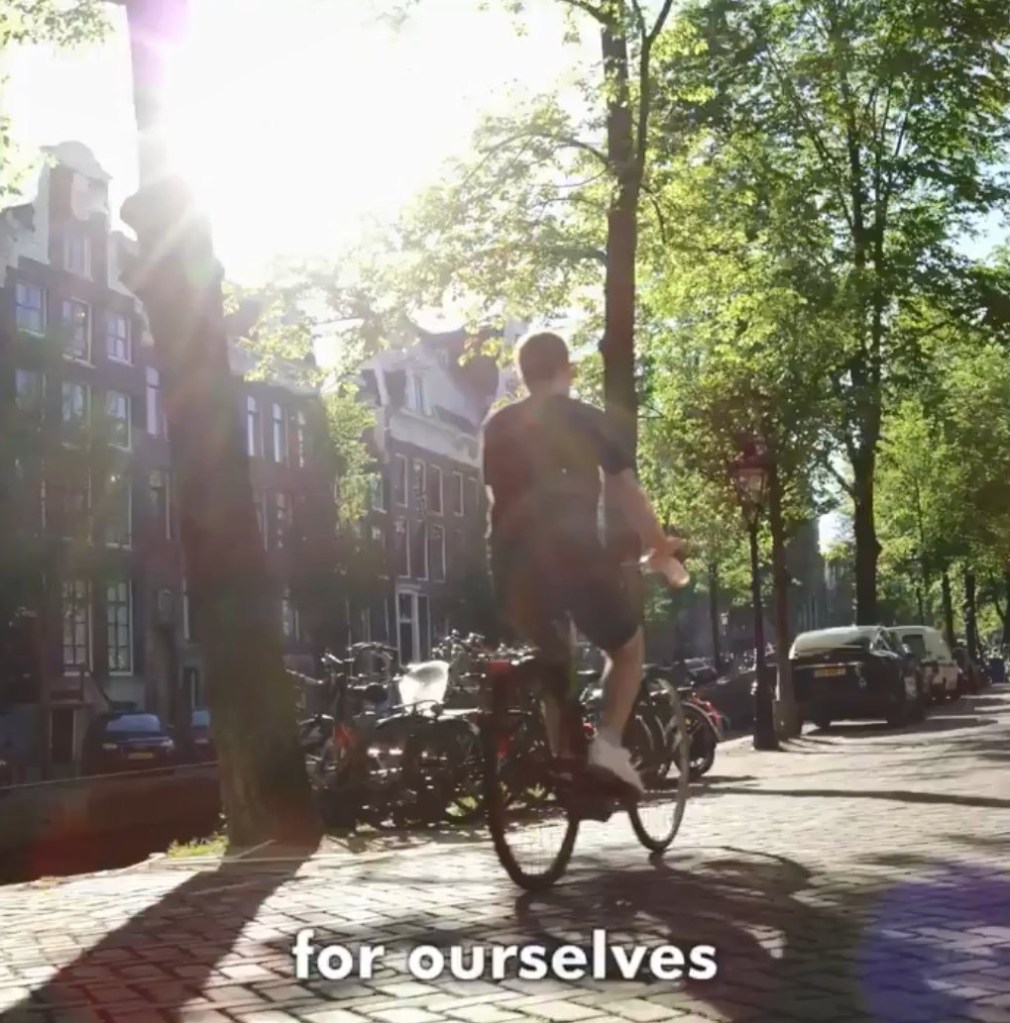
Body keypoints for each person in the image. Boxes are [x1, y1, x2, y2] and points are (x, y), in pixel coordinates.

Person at [481, 330, 687, 794]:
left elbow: (499, 496)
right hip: (571, 556)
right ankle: (606, 748)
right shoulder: (586, 419)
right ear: (567, 370)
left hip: (509, 565)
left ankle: (564, 763)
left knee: (554, 658)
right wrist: (658, 544)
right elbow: (626, 491)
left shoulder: (498, 425)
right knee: (627, 648)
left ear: (522, 374)